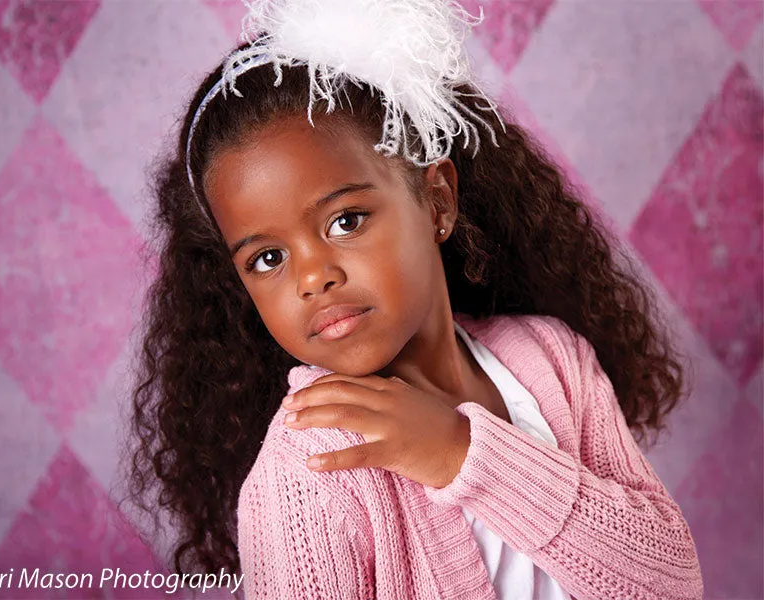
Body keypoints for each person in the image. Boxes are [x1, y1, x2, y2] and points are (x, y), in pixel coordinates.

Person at [123, 1, 704, 598]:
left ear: (437, 203)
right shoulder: (310, 474)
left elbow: (672, 582)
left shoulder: (552, 360)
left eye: (345, 221)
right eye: (268, 259)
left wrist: (463, 455)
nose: (312, 277)